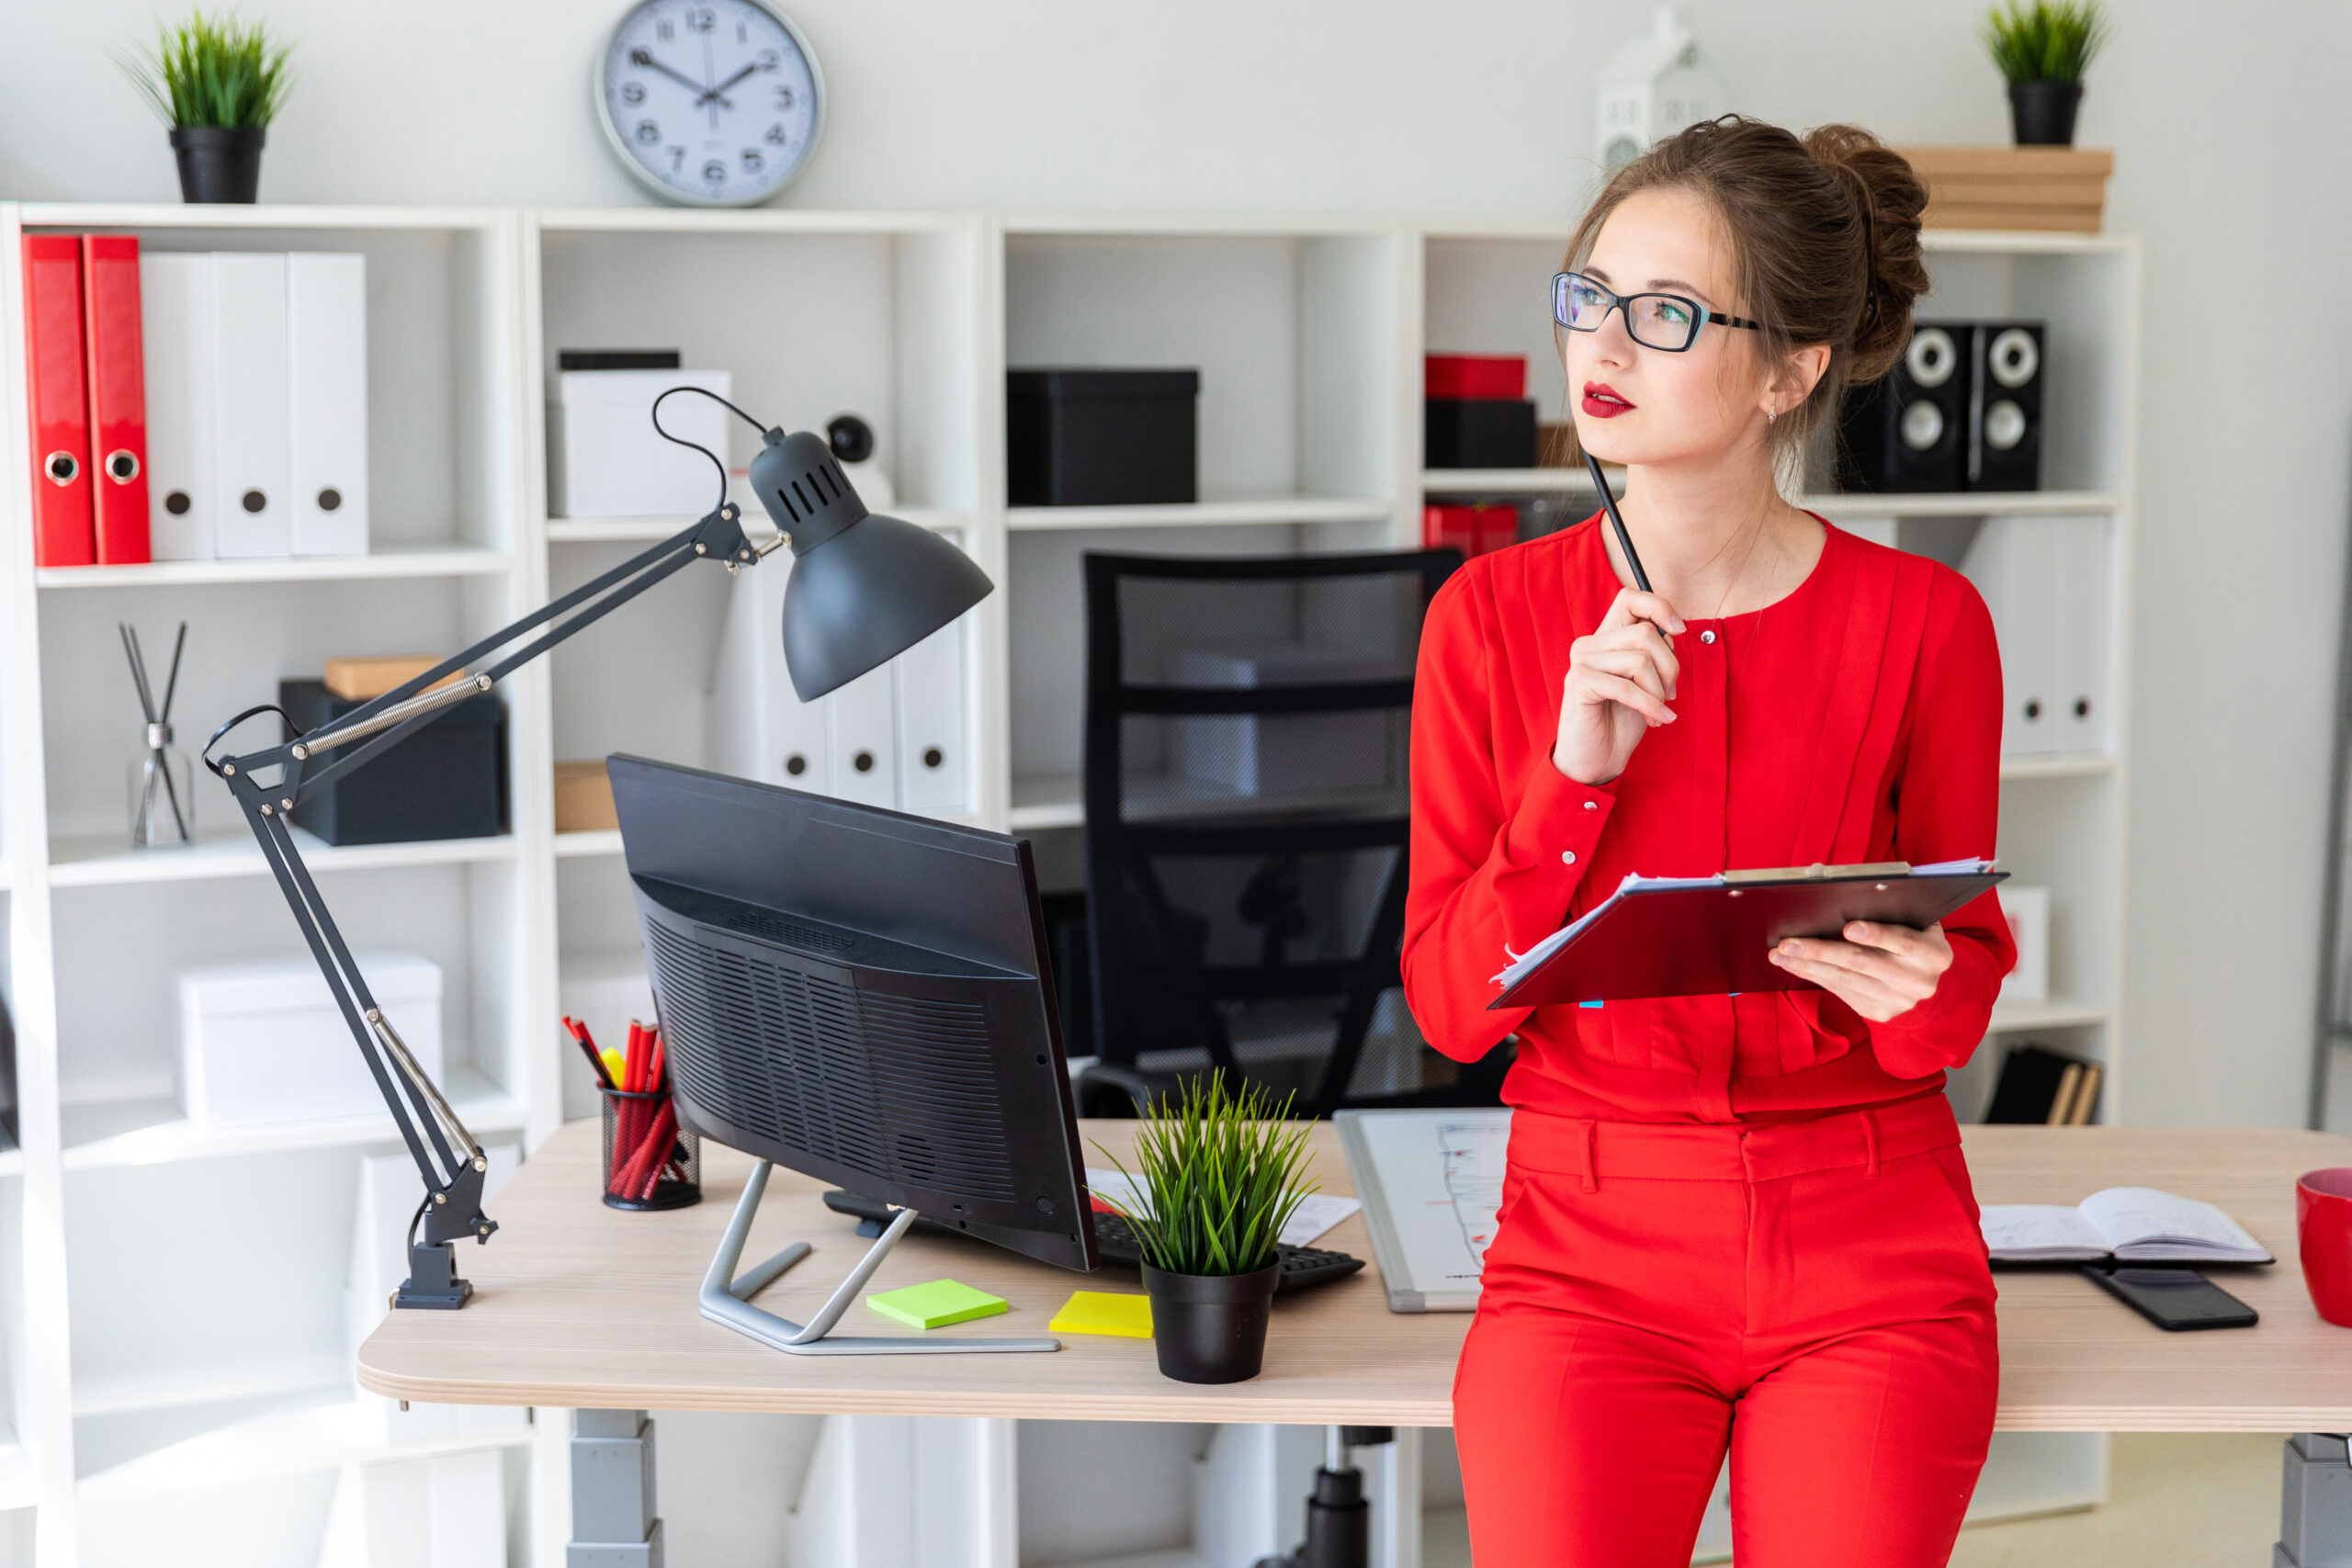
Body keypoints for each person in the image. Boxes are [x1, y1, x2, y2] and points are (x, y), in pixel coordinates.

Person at [1404, 116, 2015, 1568]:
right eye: (1588, 296)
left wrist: (1926, 991)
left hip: (1873, 1245)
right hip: (1584, 1250)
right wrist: (1572, 780)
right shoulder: (1485, 620)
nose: (1602, 345)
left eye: (1665, 314)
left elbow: (1963, 982)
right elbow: (1449, 1009)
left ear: (1791, 370)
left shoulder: (1929, 625)